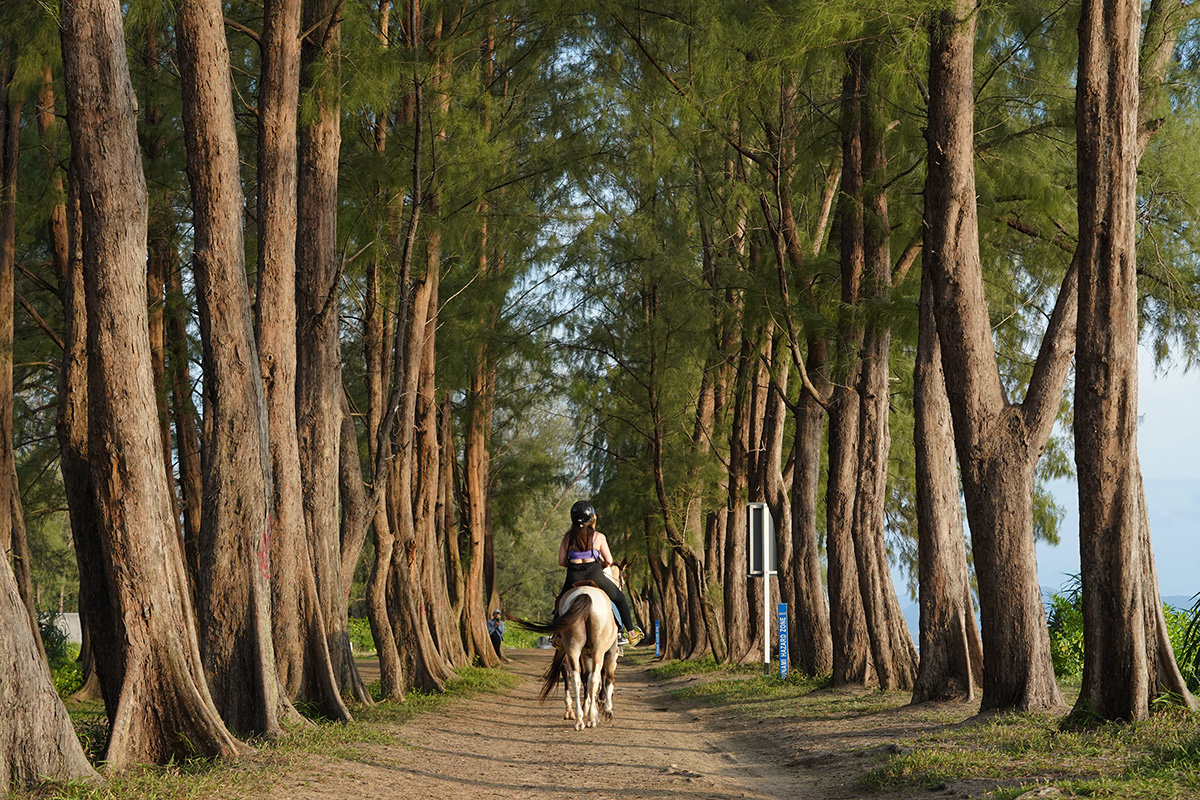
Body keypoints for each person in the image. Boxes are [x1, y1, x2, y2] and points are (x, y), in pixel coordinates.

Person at [557, 500, 643, 646]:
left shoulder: (567, 538)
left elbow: (562, 562)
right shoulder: (599, 537)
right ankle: (630, 633)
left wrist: (573, 563)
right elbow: (609, 560)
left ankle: (557, 636)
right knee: (620, 599)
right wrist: (600, 564)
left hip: (573, 576)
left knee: (560, 601)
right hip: (594, 575)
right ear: (591, 518)